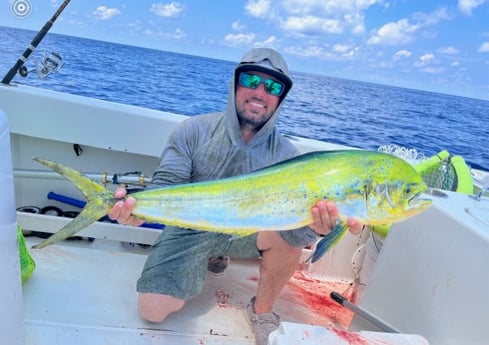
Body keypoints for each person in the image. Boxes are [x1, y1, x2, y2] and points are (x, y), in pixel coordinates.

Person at [108, 47, 362, 345]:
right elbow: (167, 186)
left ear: (280, 99)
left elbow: (294, 232)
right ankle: (209, 254)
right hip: (191, 230)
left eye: (272, 86)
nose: (260, 92)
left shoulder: (286, 156)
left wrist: (316, 228)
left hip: (249, 233)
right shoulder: (194, 130)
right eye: (251, 80)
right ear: (235, 84)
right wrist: (138, 211)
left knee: (287, 235)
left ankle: (262, 310)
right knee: (152, 310)